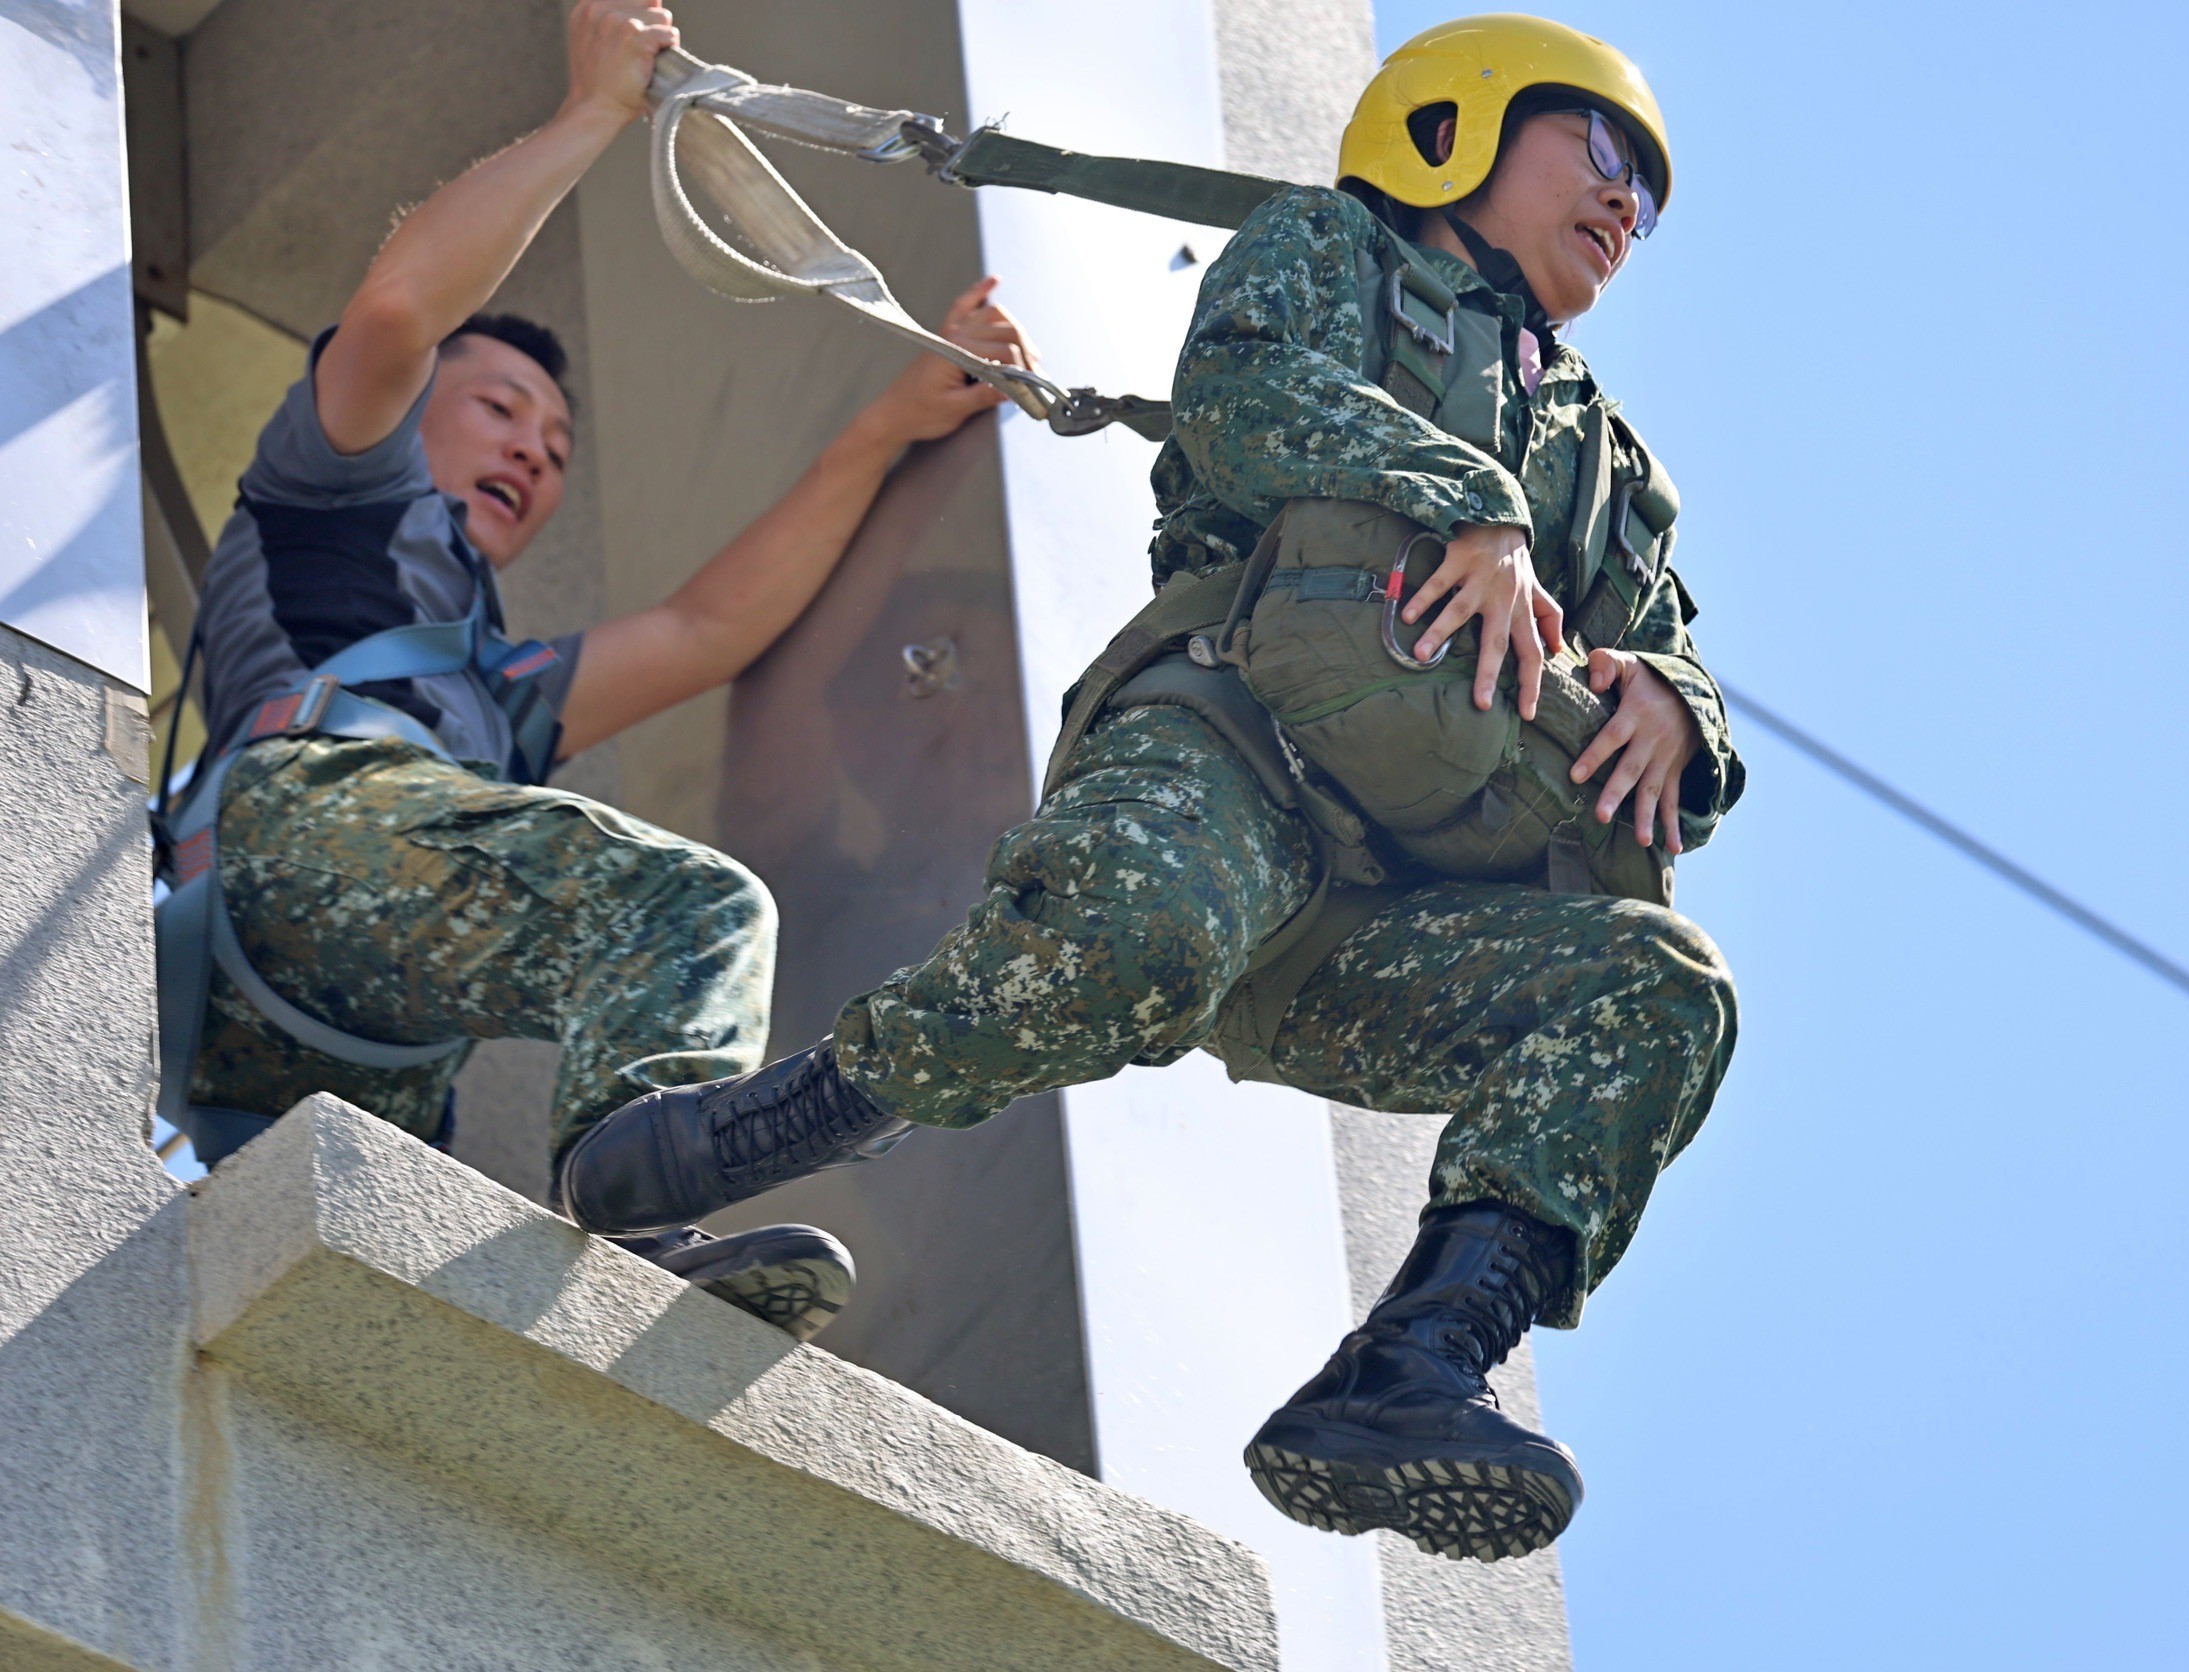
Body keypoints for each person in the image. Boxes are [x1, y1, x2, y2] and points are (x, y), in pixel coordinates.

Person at [559, 13, 1743, 1559]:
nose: (1623, 210)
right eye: (1599, 152)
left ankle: (1414, 1370)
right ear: (1456, 124)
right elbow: (1244, 398)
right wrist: (1470, 500)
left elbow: (1668, 661)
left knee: (1667, 987)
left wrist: (1678, 708)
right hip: (1236, 755)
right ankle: (765, 1128)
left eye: (1647, 198)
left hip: (1380, 921)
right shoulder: (1330, 251)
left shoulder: (1612, 462)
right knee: (1131, 941)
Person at [165, 0, 1036, 1339]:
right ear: (416, 403)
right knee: (692, 912)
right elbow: (400, 305)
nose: (534, 449)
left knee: (371, 1332)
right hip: (291, 845)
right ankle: (641, 1192)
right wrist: (591, 118)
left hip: (352, 1039)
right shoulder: (330, 487)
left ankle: (638, 1248)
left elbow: (709, 632)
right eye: (501, 407)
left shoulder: (499, 693)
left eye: (560, 444)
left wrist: (892, 429)